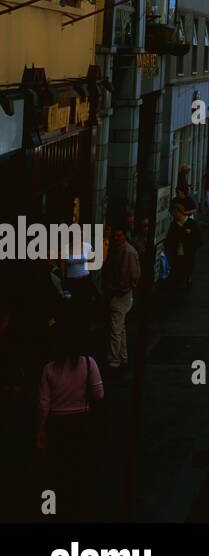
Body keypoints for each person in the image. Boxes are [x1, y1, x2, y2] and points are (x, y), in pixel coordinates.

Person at [36, 327, 104, 520]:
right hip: (81, 421)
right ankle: (78, 505)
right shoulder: (89, 364)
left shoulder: (49, 369)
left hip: (57, 424)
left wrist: (40, 433)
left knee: (58, 468)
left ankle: (57, 508)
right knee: (78, 466)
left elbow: (43, 405)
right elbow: (99, 394)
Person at [103, 222, 140, 370]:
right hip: (120, 292)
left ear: (124, 236)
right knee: (120, 327)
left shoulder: (128, 252)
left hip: (121, 293)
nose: (116, 238)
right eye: (115, 235)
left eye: (119, 235)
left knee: (116, 329)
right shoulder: (119, 249)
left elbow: (134, 275)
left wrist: (122, 289)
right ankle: (122, 356)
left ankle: (114, 360)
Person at [165, 202, 202, 293]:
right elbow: (170, 238)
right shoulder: (174, 224)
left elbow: (198, 240)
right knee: (177, 269)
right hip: (177, 252)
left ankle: (186, 283)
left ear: (178, 212)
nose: (172, 215)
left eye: (173, 213)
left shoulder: (191, 223)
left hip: (188, 252)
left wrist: (189, 237)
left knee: (187, 268)